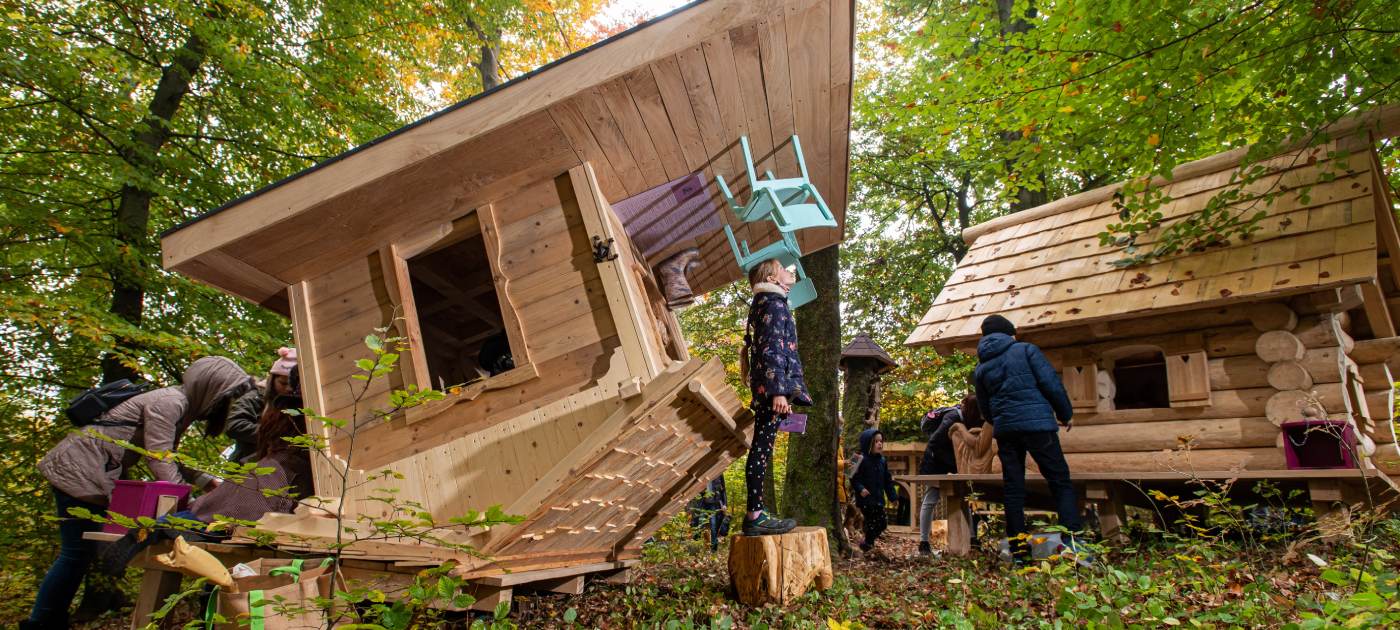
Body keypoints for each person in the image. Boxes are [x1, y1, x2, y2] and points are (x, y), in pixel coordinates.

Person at [25, 357, 253, 630]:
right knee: (75, 553)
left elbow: (165, 454)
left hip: (87, 472)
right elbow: (157, 457)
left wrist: (205, 482)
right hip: (79, 471)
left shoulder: (176, 403)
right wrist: (187, 500)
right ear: (210, 389)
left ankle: (48, 619)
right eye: (224, 398)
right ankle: (42, 622)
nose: (222, 407)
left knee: (79, 553)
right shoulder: (170, 402)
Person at [98, 368, 314, 575]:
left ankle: (156, 529)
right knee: (228, 518)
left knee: (210, 513)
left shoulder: (282, 414)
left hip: (271, 474)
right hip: (281, 476)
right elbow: (160, 452)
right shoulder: (294, 417)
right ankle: (153, 530)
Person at [972, 314, 1082, 563]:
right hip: (1038, 426)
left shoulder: (981, 368)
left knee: (1013, 489)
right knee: (1059, 481)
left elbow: (985, 408)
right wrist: (1065, 413)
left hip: (1007, 431)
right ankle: (1073, 544)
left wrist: (1000, 419)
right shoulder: (1026, 350)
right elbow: (1050, 383)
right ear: (1009, 333)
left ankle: (1019, 553)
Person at [739, 259, 808, 536]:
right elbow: (772, 349)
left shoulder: (768, 303)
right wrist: (779, 390)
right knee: (761, 448)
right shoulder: (774, 305)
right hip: (772, 387)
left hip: (769, 384)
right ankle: (755, 516)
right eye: (782, 268)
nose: (789, 270)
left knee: (763, 448)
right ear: (772, 276)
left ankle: (757, 511)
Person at [223, 347, 298, 463]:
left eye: (293, 385)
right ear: (272, 380)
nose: (288, 388)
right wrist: (274, 435)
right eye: (283, 383)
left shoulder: (298, 405)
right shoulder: (255, 397)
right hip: (244, 470)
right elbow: (234, 425)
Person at [851, 428, 898, 553]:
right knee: (871, 522)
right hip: (866, 499)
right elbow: (853, 478)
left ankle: (867, 543)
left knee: (882, 524)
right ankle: (867, 544)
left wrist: (893, 497)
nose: (879, 444)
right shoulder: (858, 458)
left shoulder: (882, 460)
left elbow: (887, 480)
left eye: (881, 441)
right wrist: (860, 489)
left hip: (878, 499)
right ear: (868, 443)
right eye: (876, 441)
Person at [688, 475, 729, 552]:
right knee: (697, 525)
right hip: (701, 503)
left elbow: (723, 489)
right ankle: (696, 551)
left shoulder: (718, 473)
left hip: (714, 503)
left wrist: (724, 504)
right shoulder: (701, 472)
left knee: (714, 526)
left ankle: (713, 550)